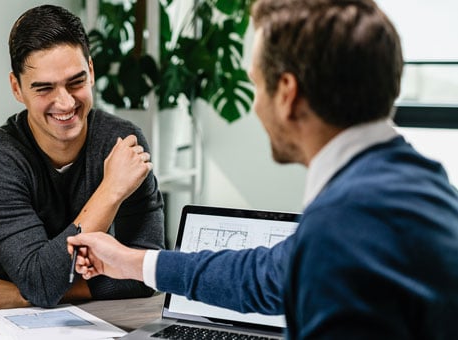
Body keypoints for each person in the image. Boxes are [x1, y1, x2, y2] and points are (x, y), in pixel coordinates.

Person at [68, 0, 458, 338]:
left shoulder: (344, 227)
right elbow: (265, 275)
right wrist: (132, 262)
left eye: (256, 85)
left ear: (287, 93)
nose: (255, 106)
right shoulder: (413, 185)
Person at [0, 5, 165, 312]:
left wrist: (27, 292)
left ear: (91, 72)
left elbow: (146, 272)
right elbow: (41, 281)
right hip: (0, 322)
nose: (66, 103)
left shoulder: (122, 143)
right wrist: (111, 191)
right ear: (17, 88)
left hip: (90, 320)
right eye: (44, 88)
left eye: (76, 82)